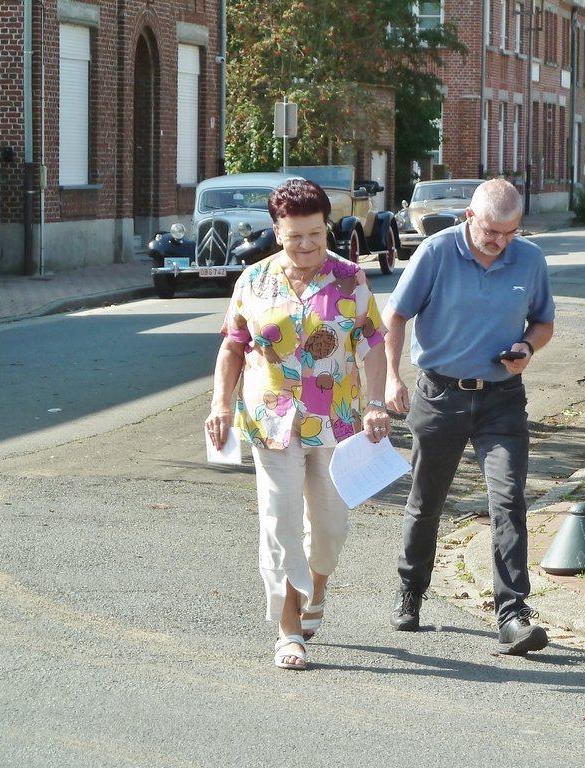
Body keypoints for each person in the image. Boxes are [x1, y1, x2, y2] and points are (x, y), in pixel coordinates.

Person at [205, 178, 390, 671]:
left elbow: (373, 343)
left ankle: (316, 585)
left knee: (329, 528)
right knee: (280, 521)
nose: (306, 245)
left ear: (327, 227)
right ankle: (289, 629)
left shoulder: (351, 279)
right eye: (294, 236)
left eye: (316, 234)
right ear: (276, 231)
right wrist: (220, 404)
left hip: (336, 421)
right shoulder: (254, 281)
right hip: (272, 421)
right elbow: (232, 346)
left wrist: (376, 403)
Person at [382, 178, 555, 655]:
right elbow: (394, 316)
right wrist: (392, 378)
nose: (501, 242)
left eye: (511, 233)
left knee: (508, 499)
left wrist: (527, 347)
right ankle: (411, 588)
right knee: (426, 501)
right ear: (470, 217)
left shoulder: (529, 259)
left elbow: (543, 322)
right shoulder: (436, 253)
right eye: (492, 232)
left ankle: (512, 614)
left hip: (502, 398)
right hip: (440, 395)